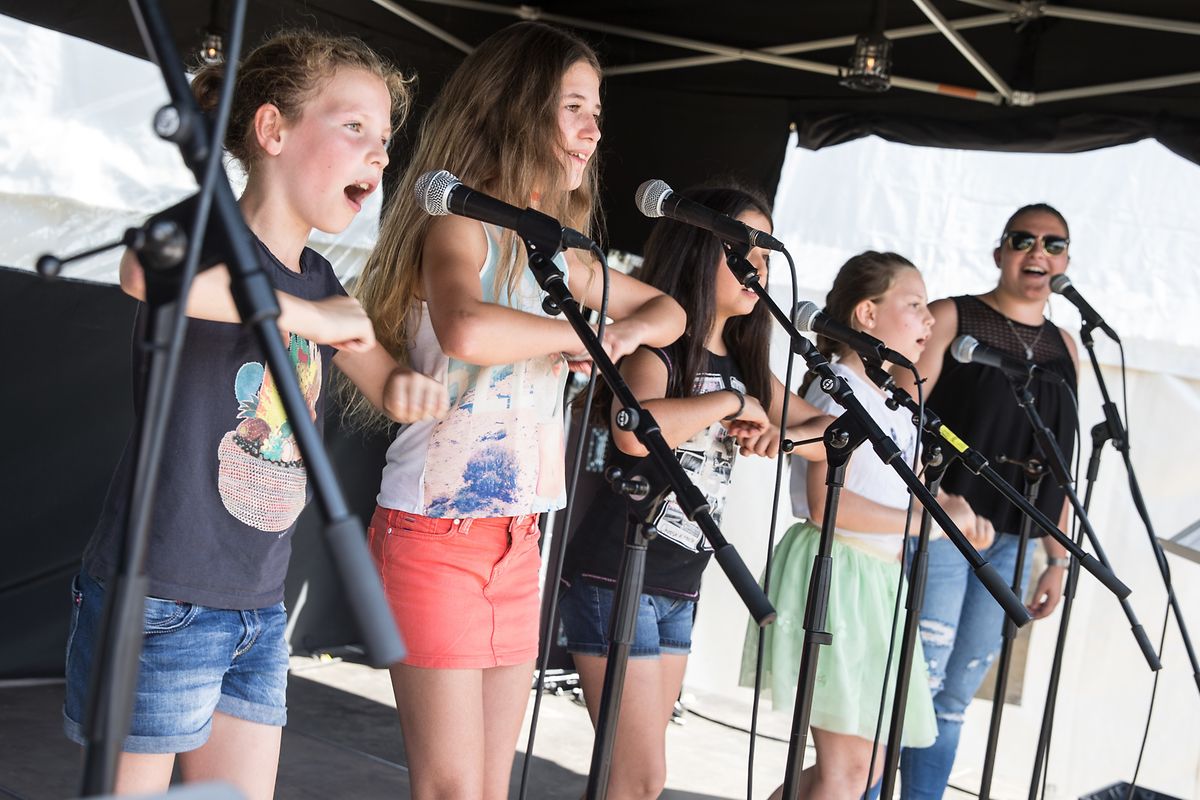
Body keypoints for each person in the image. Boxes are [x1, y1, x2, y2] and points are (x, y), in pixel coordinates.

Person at [62, 31, 446, 799]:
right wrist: (314, 321)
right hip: (162, 594)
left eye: (385, 140)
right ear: (273, 131)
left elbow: (384, 378)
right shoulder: (208, 235)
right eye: (354, 128)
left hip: (258, 610)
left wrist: (415, 389)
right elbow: (146, 275)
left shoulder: (324, 282)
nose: (378, 154)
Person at [352, 21, 686, 800]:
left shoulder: (562, 254)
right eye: (574, 106)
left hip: (520, 538)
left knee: (489, 790)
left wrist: (625, 330)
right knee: (453, 791)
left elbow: (669, 310)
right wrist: (583, 331)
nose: (593, 128)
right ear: (518, 108)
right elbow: (468, 325)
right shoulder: (459, 223)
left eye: (596, 110)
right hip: (435, 534)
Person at [557, 185, 831, 800]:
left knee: (629, 780)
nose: (756, 267)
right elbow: (634, 432)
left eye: (764, 254)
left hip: (681, 582)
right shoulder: (663, 342)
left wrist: (775, 440)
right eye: (742, 249)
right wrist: (733, 403)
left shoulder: (749, 359)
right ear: (696, 250)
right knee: (639, 778)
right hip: (616, 574)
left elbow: (830, 434)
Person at [743, 251, 996, 800]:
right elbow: (826, 506)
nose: (930, 321)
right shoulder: (838, 386)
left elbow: (903, 489)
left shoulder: (896, 402)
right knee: (847, 768)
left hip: (877, 581)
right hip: (839, 573)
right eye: (915, 305)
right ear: (866, 314)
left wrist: (957, 512)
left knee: (870, 764)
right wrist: (923, 523)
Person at [897, 205, 1078, 800]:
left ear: (1066, 262)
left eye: (1053, 244)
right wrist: (938, 495)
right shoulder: (953, 316)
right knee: (914, 685)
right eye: (1023, 240)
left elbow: (1059, 466)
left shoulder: (1066, 347)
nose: (1038, 253)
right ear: (999, 252)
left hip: (1017, 543)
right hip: (947, 525)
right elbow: (905, 413)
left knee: (953, 700)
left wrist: (1057, 558)